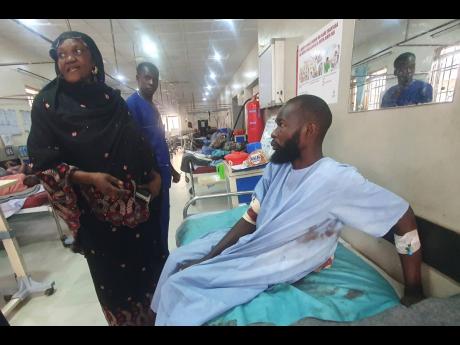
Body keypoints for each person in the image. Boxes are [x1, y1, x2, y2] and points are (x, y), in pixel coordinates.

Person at [151, 94, 424, 326]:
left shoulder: (335, 180)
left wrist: (414, 290)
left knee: (182, 286)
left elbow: (403, 216)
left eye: (281, 125)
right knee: (177, 260)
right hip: (258, 241)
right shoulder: (278, 167)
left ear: (309, 130)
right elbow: (251, 216)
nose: (273, 134)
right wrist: (213, 254)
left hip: (281, 258)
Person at [27, 31, 167, 326]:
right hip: (97, 219)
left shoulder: (110, 99)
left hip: (140, 206)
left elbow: (137, 140)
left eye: (77, 51)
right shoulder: (48, 105)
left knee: (151, 274)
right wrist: (90, 178)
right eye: (62, 54)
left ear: (93, 59)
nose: (69, 58)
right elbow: (44, 163)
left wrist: (154, 175)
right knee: (115, 284)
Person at [126, 62, 181, 255]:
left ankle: (163, 255)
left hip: (162, 175)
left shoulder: (152, 106)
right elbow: (133, 147)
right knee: (152, 224)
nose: (151, 82)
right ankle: (158, 261)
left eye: (154, 79)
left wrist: (172, 170)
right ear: (138, 79)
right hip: (150, 180)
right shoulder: (132, 106)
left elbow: (159, 141)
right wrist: (149, 176)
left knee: (162, 219)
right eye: (146, 77)